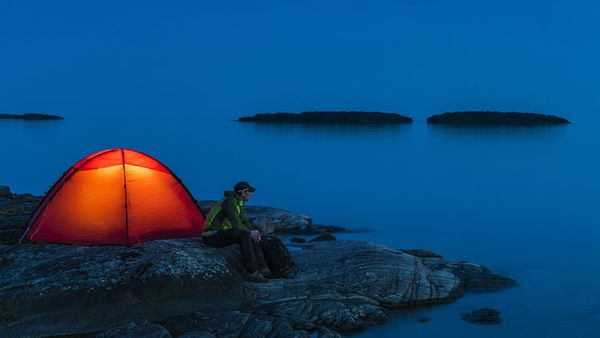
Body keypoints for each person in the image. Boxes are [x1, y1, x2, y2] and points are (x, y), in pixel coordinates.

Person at [202, 181, 271, 282]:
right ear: (243, 192)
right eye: (249, 192)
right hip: (211, 236)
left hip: (221, 233)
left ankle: (263, 268)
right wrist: (249, 232)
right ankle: (252, 272)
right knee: (245, 235)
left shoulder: (237, 202)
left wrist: (253, 231)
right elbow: (236, 223)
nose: (251, 194)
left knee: (252, 234)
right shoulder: (229, 201)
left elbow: (244, 220)